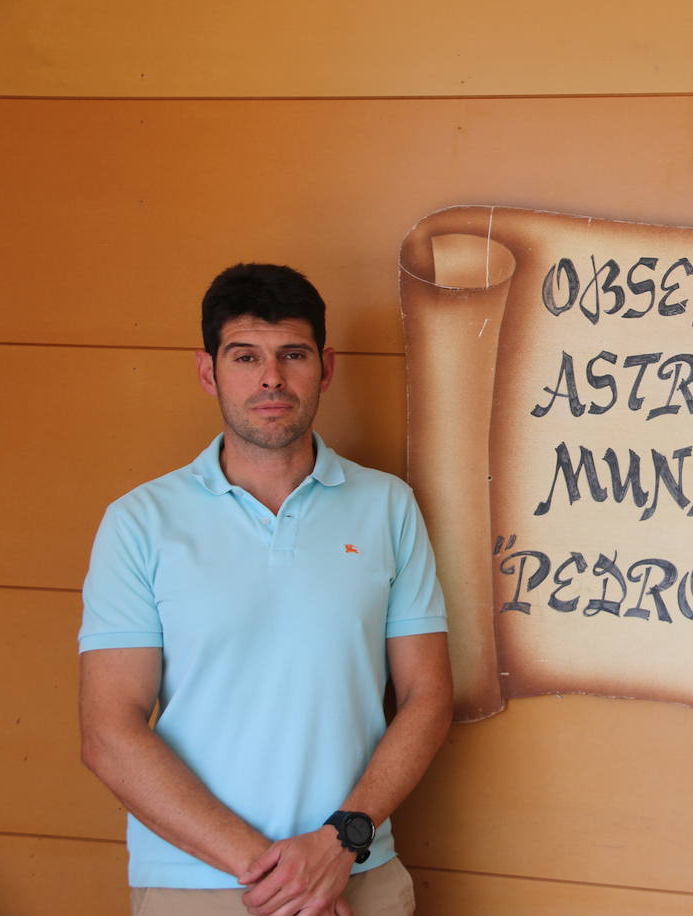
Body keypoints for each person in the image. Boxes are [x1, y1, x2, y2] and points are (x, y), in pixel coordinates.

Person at [78, 263, 452, 916]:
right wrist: (283, 877)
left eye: (293, 355)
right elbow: (109, 732)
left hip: (359, 874)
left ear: (325, 368)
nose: (271, 378)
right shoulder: (139, 522)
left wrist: (341, 845)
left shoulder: (387, 508)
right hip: (194, 885)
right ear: (208, 371)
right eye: (245, 356)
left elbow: (427, 696)